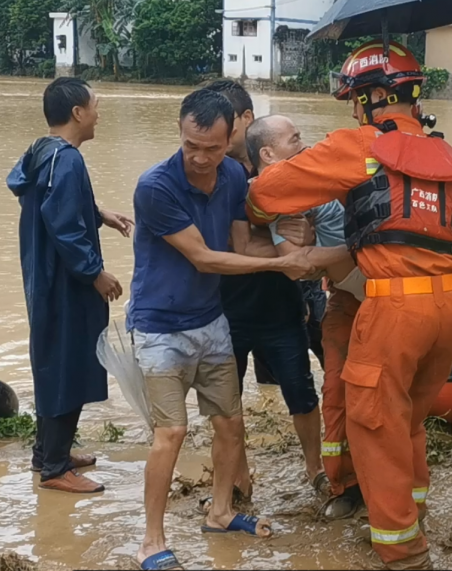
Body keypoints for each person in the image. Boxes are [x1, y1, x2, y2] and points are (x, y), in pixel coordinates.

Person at [247, 40, 452, 570]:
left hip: (392, 306)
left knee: (374, 422)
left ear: (371, 98)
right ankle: (412, 509)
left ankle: (401, 550)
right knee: (410, 419)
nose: (353, 109)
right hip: (447, 310)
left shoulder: (357, 145)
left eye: (356, 99)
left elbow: (266, 197)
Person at [128, 89, 314, 571]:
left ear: (231, 135)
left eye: (212, 147)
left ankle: (222, 511)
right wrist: (281, 263)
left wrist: (291, 246)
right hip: (160, 328)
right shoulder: (156, 187)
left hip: (210, 322)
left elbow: (242, 240)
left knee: (230, 423)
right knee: (170, 432)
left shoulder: (233, 175)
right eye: (192, 145)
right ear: (181, 130)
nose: (201, 158)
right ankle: (151, 540)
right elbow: (205, 257)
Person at [7, 77, 132, 494]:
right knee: (67, 364)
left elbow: (52, 199)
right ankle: (56, 468)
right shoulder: (69, 160)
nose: (99, 112)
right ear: (78, 113)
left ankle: (47, 451)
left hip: (44, 277)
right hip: (65, 280)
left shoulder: (44, 151)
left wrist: (100, 213)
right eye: (95, 105)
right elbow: (62, 225)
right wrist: (95, 273)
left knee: (54, 360)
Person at [246, 114, 370, 519]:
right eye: (294, 138)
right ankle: (337, 479)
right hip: (353, 287)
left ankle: (354, 479)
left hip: (367, 289)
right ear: (267, 154)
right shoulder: (280, 198)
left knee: (357, 395)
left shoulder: (311, 176)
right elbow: (296, 263)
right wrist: (362, 249)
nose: (304, 144)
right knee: (334, 392)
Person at [204, 81, 325, 498]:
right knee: (227, 402)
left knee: (301, 393)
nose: (214, 139)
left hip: (281, 308)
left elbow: (306, 241)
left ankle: (315, 469)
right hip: (229, 308)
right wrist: (281, 247)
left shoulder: (290, 177)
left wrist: (304, 236)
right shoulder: (216, 177)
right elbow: (220, 244)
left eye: (222, 128)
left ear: (244, 122)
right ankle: (239, 478)